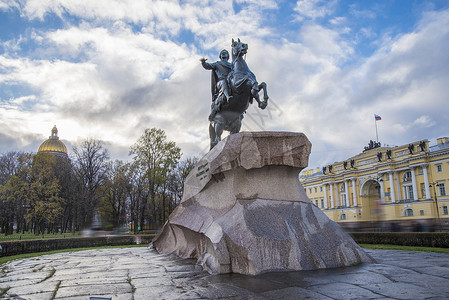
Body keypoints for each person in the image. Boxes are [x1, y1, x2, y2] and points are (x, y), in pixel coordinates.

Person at [200, 49, 233, 120]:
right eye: (222, 53)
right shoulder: (217, 64)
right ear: (220, 56)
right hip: (220, 82)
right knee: (224, 82)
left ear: (228, 56)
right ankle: (227, 96)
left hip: (230, 82)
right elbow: (207, 66)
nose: (224, 54)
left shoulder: (232, 65)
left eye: (225, 53)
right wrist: (203, 62)